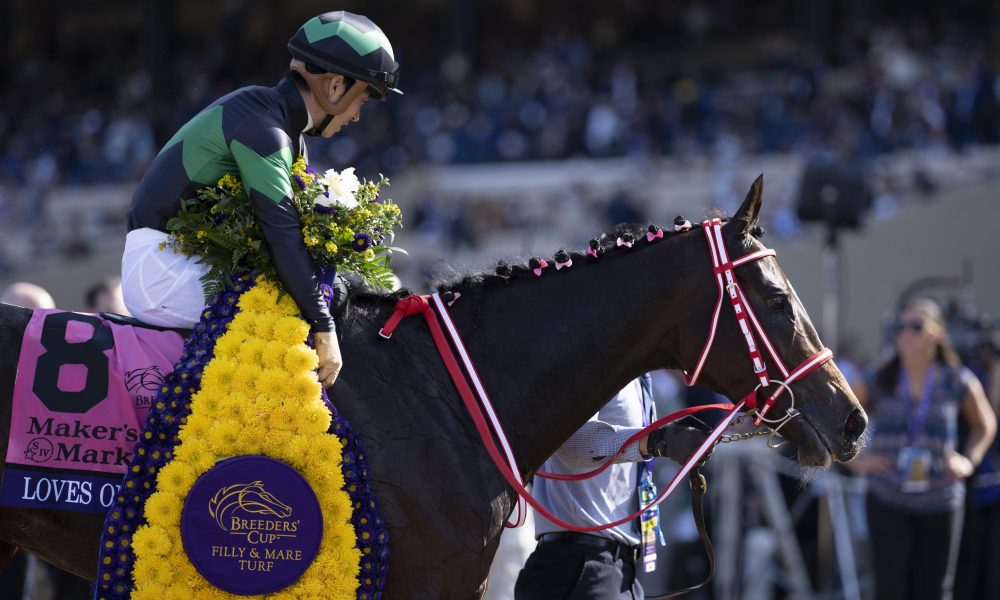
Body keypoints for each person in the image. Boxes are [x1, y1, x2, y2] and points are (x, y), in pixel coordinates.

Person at [120, 10, 401, 389]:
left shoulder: (279, 124)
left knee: (325, 292)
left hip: (179, 261)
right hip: (160, 270)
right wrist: (324, 326)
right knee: (295, 313)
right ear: (335, 86)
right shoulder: (265, 127)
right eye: (362, 101)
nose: (356, 117)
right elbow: (281, 233)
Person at [849, 298, 996, 600]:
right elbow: (840, 419)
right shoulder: (879, 377)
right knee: (890, 587)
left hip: (941, 498)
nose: (905, 333)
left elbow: (986, 424)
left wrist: (969, 460)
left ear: (936, 333)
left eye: (916, 326)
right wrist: (857, 461)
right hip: (887, 495)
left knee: (935, 589)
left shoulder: (957, 380)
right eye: (900, 326)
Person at [514, 374, 709, 600]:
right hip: (578, 567)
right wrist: (658, 441)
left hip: (615, 568)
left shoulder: (639, 378)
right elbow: (572, 441)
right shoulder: (594, 359)